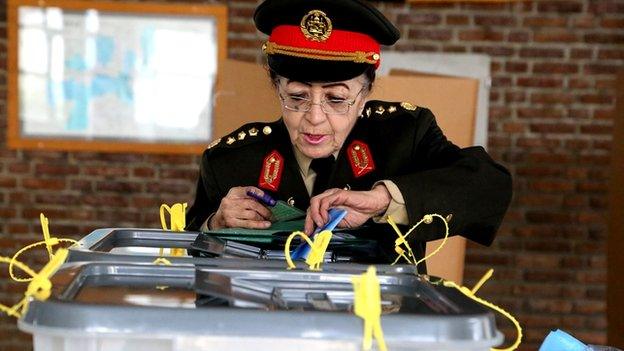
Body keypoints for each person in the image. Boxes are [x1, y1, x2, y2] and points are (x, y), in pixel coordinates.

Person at [186, 0, 512, 267]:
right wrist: (215, 224)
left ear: (366, 92)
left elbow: (490, 187)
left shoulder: (404, 137)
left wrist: (383, 200)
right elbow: (190, 256)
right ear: (276, 87)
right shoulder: (231, 160)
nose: (314, 118)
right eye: (297, 96)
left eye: (336, 99)